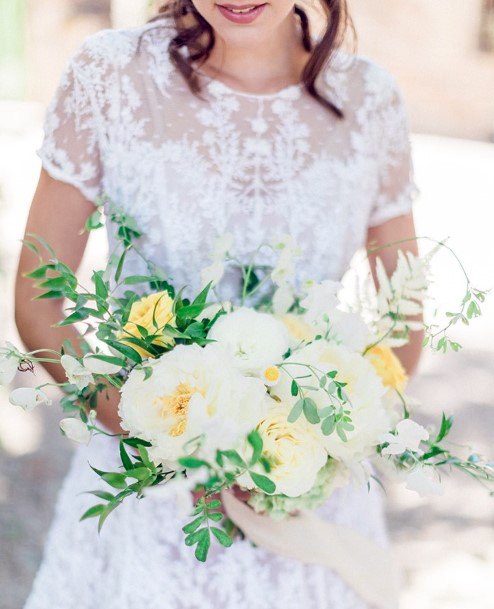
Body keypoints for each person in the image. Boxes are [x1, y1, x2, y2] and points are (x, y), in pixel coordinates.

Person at [16, 1, 423, 607]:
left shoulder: (371, 99)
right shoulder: (110, 76)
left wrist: (312, 446)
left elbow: (405, 323)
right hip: (146, 502)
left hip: (302, 507)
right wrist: (159, 433)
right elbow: (38, 297)